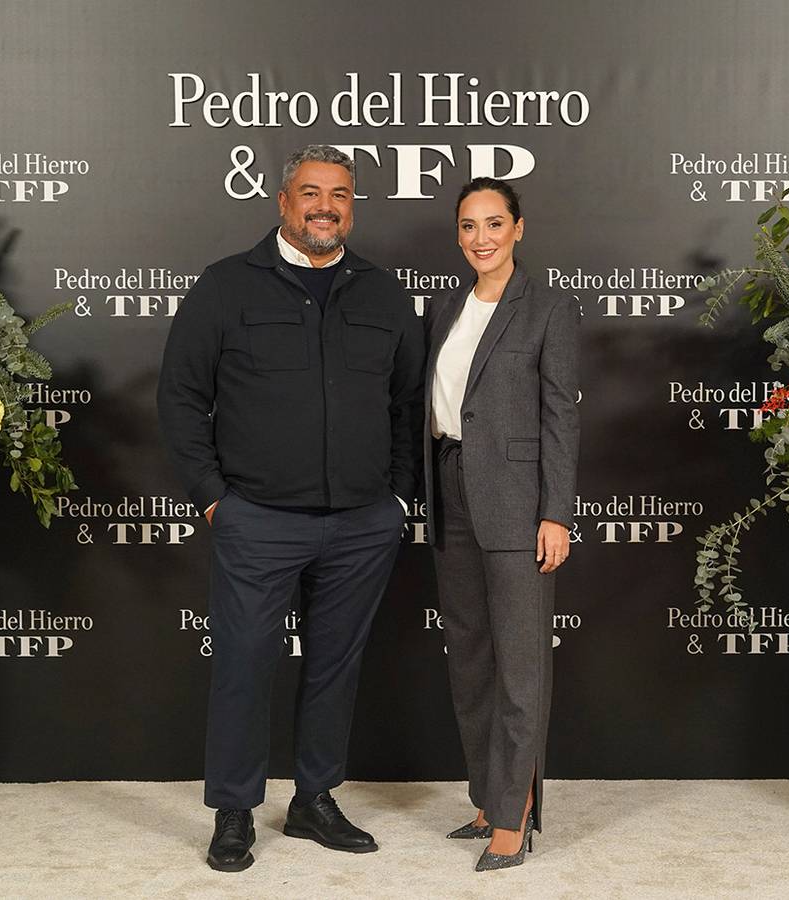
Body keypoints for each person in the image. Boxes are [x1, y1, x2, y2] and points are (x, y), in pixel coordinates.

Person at [157, 145, 424, 873]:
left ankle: (313, 800)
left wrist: (399, 496)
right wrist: (215, 501)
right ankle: (235, 810)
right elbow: (181, 399)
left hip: (362, 522)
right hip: (257, 520)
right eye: (311, 192)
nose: (324, 207)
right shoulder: (225, 286)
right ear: (282, 201)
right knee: (244, 663)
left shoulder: (382, 293)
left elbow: (406, 403)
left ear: (352, 206)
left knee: (334, 666)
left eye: (339, 194)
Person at [423, 177, 581, 872]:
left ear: (519, 228)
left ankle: (514, 816)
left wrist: (556, 513)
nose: (480, 238)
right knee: (472, 659)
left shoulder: (548, 307)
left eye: (493, 224)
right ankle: (488, 795)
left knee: (519, 664)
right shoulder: (444, 307)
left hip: (518, 501)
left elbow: (560, 417)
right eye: (467, 226)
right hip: (451, 488)